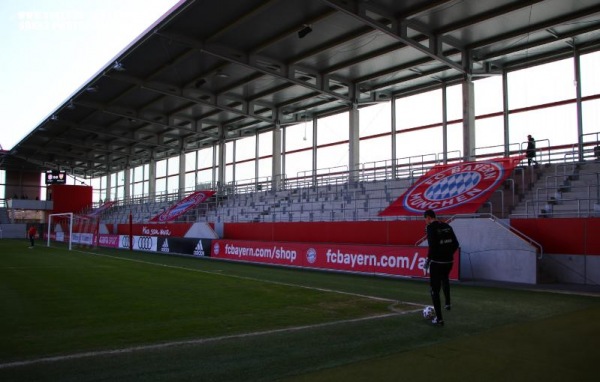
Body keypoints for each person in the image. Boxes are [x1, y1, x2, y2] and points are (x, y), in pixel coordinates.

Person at [424, 209, 459, 326]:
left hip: (437, 262)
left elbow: (432, 246)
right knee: (445, 279)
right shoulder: (447, 226)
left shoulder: (430, 228)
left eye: (425, 219)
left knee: (434, 290)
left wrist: (428, 260)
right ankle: (447, 303)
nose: (425, 222)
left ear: (428, 218)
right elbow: (456, 244)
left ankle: (439, 319)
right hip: (449, 262)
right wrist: (448, 254)